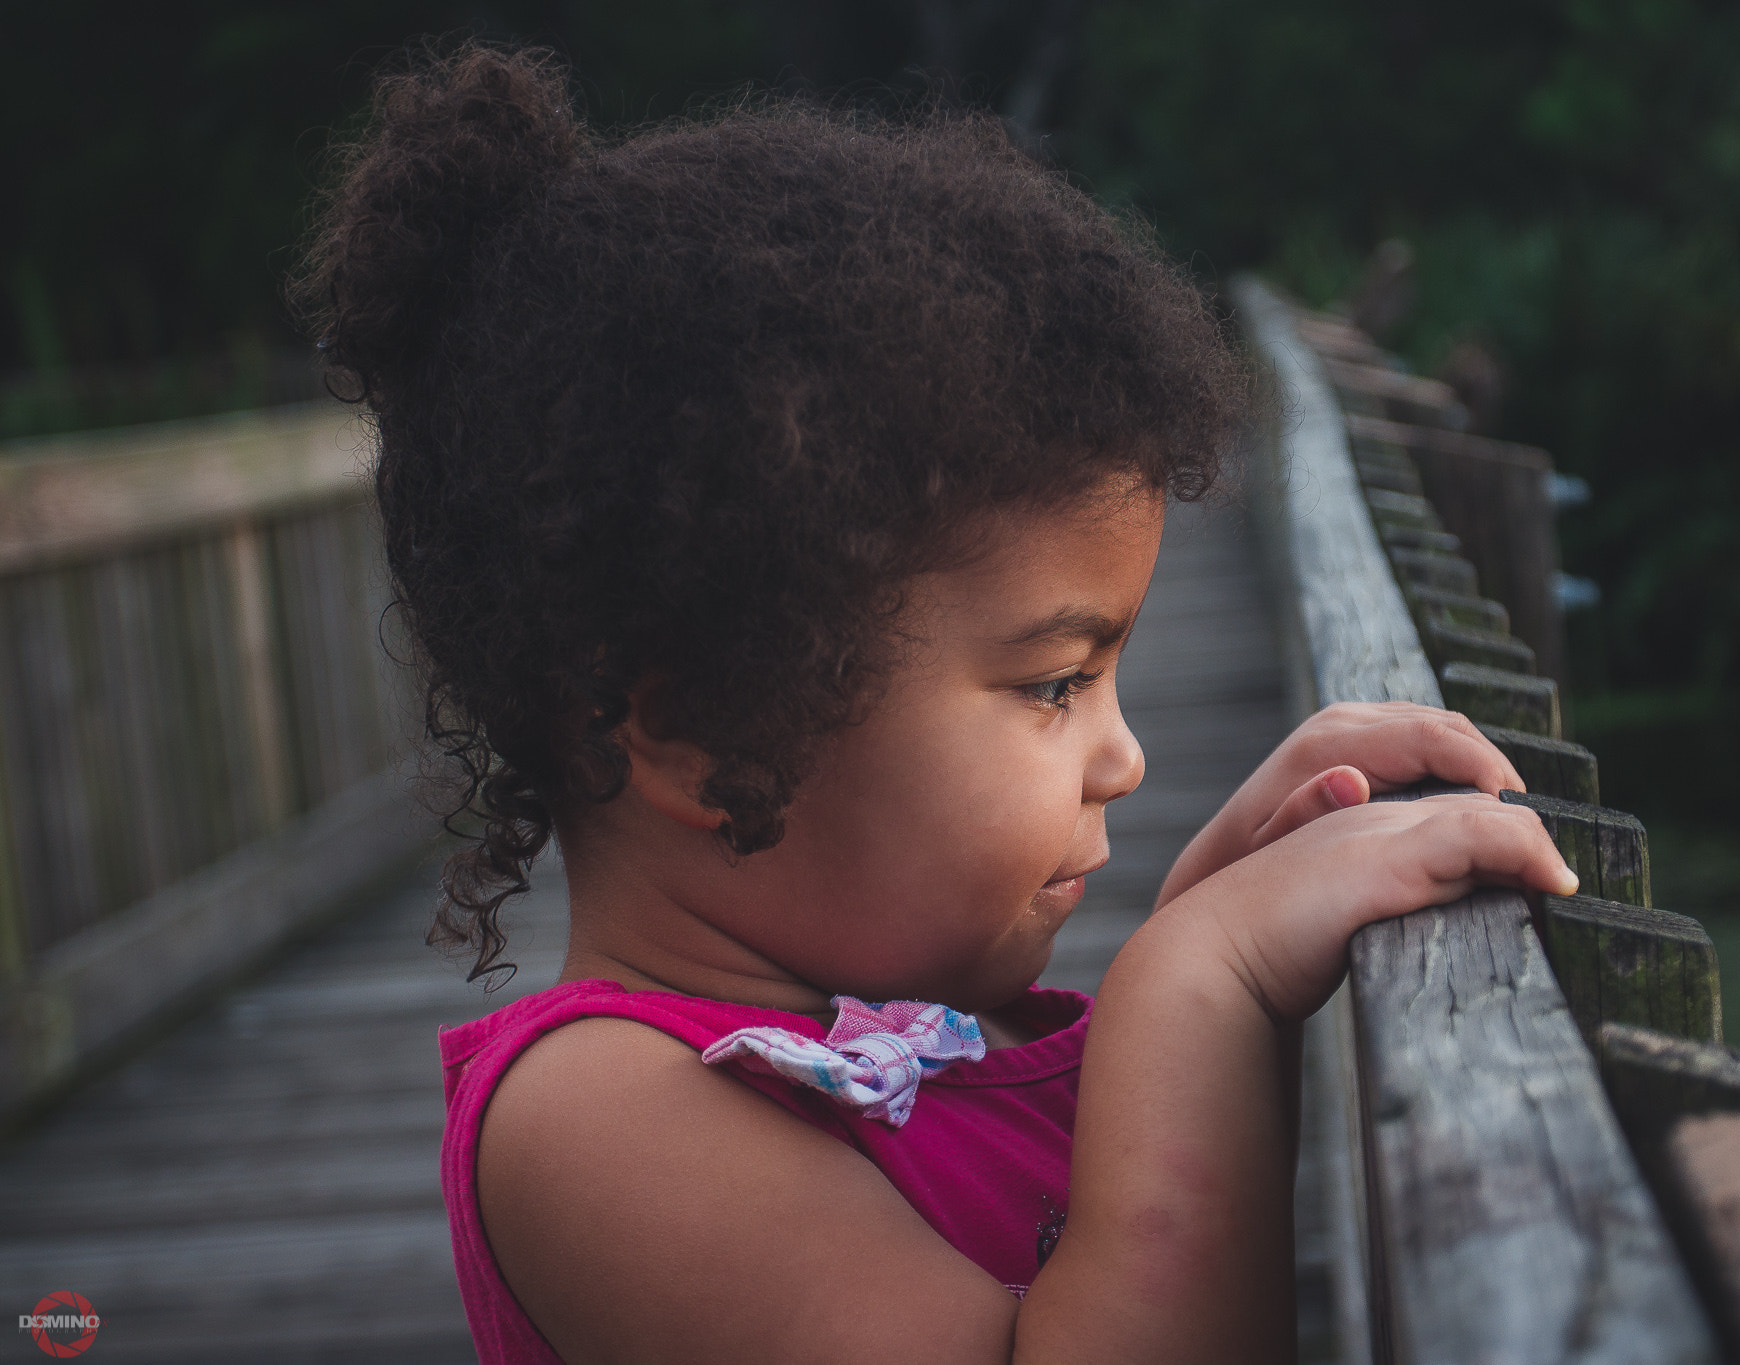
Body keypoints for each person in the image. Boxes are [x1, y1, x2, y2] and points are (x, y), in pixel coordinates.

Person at [296, 42, 1577, 1365]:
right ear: (700, 730)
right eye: (1056, 682)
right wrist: (1202, 988)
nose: (1126, 756)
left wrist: (1204, 912)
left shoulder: (933, 1024)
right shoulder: (592, 1117)